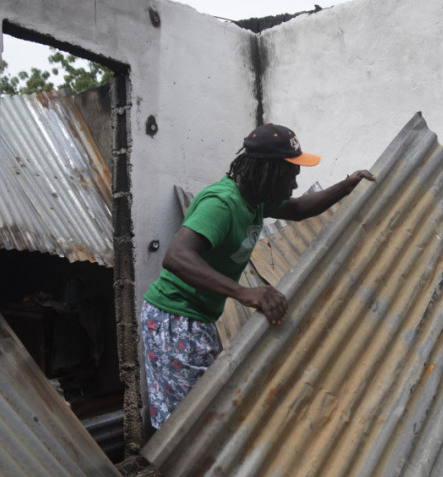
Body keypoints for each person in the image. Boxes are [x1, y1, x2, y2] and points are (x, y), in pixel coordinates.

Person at [140, 122, 375, 429]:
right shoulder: (222, 203)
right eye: (291, 175)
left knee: (198, 413)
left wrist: (348, 184)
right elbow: (177, 256)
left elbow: (301, 207)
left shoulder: (256, 199)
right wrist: (244, 292)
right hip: (174, 318)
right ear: (269, 171)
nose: (294, 183)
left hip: (198, 317)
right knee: (185, 424)